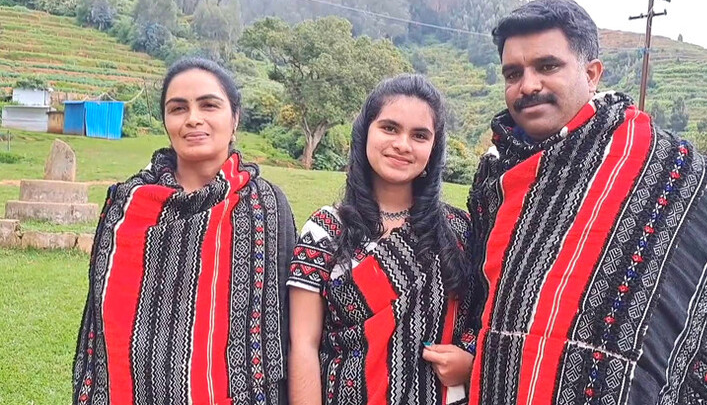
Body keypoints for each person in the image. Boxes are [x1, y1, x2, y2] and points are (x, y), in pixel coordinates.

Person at [467, 0, 707, 405]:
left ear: (592, 73)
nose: (528, 85)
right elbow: (479, 298)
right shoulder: (495, 177)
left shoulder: (666, 168)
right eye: (513, 73)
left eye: (547, 66)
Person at [72, 57, 296, 405]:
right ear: (166, 121)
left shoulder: (265, 205)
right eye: (178, 108)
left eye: (209, 105)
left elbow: (286, 323)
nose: (193, 118)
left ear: (235, 118)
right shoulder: (128, 206)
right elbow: (101, 331)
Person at [287, 74, 478, 405]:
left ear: (434, 149)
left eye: (419, 135)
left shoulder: (459, 230)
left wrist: (470, 360)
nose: (403, 144)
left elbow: (485, 317)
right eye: (390, 128)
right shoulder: (325, 230)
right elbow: (303, 344)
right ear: (365, 134)